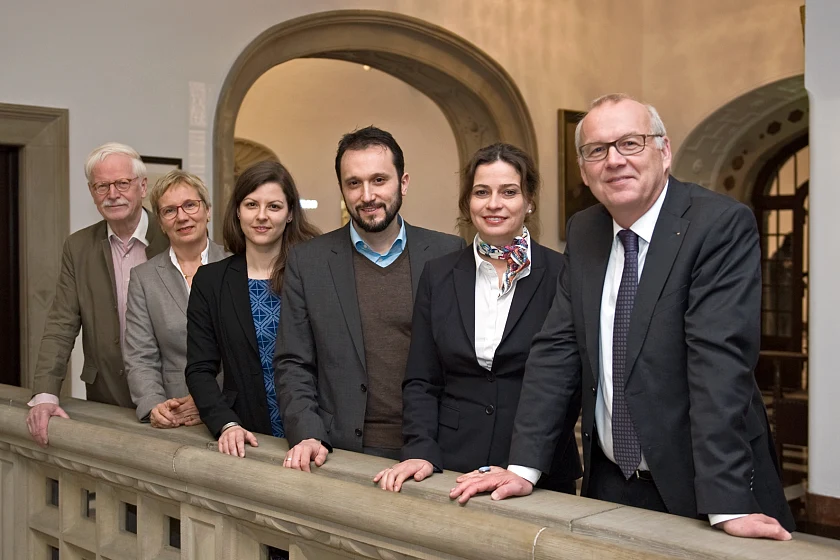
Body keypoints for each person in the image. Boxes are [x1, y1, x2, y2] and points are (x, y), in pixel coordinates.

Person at [449, 94, 796, 541]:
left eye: (630, 143)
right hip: (609, 483)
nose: (614, 161)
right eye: (597, 150)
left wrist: (727, 503)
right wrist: (523, 468)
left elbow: (719, 367)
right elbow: (557, 352)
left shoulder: (718, 226)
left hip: (707, 488)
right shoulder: (586, 230)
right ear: (584, 170)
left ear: (664, 151)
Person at [373, 143, 581, 493]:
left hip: (539, 471)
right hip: (451, 465)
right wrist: (420, 450)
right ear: (467, 204)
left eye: (509, 192)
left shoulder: (564, 274)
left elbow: (569, 382)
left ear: (529, 201)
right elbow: (422, 378)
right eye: (481, 192)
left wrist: (526, 464)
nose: (494, 203)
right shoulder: (438, 275)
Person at [276, 126, 464, 470]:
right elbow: (293, 362)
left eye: (379, 180)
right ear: (342, 189)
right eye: (354, 183)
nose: (367, 195)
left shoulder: (447, 253)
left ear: (403, 183)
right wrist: (308, 432)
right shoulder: (309, 261)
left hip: (434, 448)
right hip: (340, 450)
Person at [26, 142, 169, 447]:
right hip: (106, 392)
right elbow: (60, 325)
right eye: (102, 186)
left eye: (122, 183)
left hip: (171, 393)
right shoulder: (78, 247)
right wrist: (46, 393)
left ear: (143, 187)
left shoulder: (173, 237)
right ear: (92, 192)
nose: (113, 194)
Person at [185, 161, 319, 457]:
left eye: (273, 206)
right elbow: (199, 369)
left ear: (290, 213)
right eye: (251, 204)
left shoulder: (316, 274)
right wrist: (226, 423)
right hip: (245, 433)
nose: (261, 216)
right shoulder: (210, 281)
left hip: (316, 430)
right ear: (237, 210)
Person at [124, 170, 229, 427]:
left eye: (190, 205)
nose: (182, 217)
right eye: (169, 211)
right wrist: (153, 405)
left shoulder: (237, 266)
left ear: (208, 211)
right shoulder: (144, 278)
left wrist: (207, 399)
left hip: (233, 409)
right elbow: (140, 355)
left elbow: (252, 352)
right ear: (161, 222)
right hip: (173, 414)